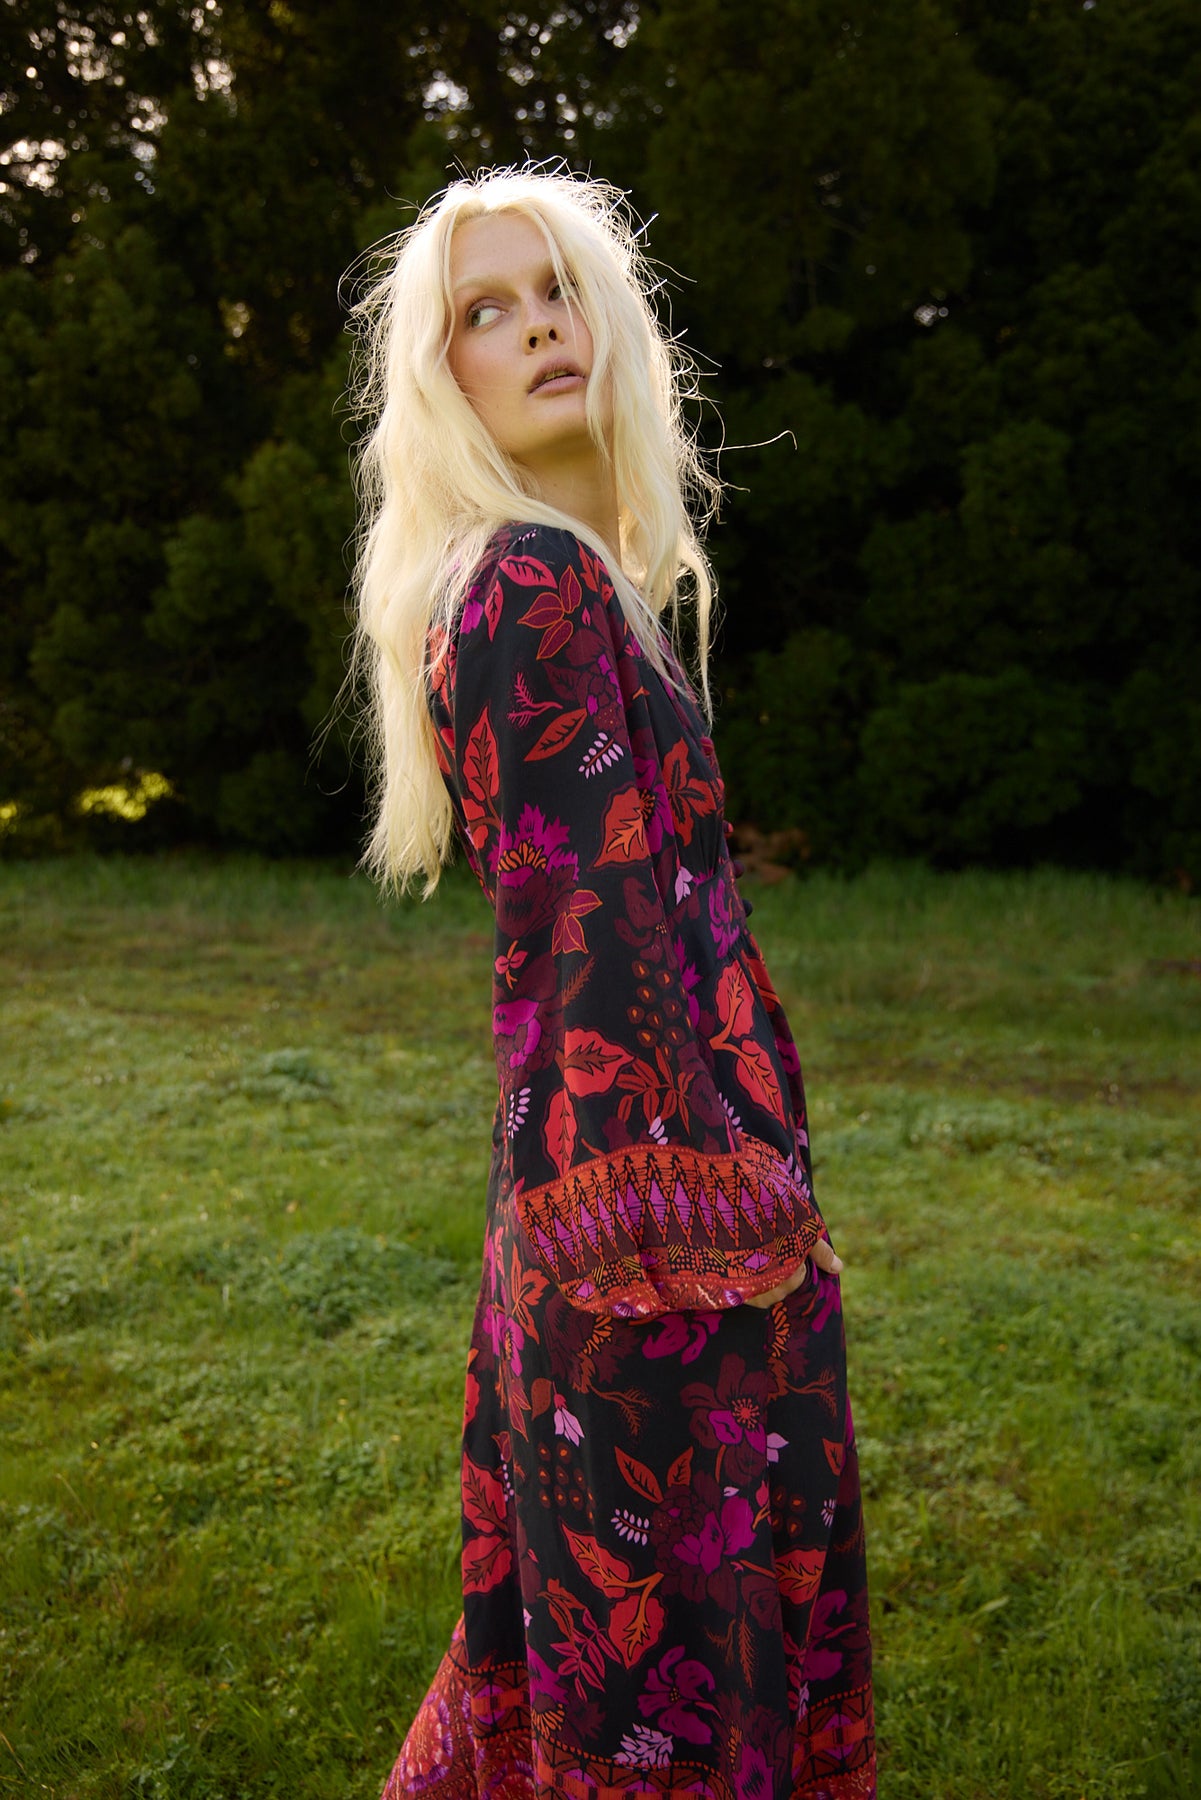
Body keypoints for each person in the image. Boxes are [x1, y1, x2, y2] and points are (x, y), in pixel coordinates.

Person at [348, 165, 875, 1800]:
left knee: (583, 1662)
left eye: (557, 291)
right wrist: (700, 1238)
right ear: (443, 379)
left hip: (606, 1217)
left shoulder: (558, 578)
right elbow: (588, 945)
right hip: (650, 1244)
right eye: (484, 313)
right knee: (670, 1691)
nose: (535, 329)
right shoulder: (530, 585)